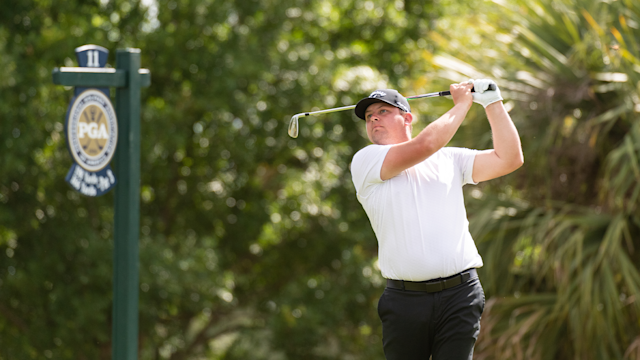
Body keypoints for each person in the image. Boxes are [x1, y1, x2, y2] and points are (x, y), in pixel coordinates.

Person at [350, 79, 523, 360]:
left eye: (382, 112)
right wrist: (463, 104)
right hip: (405, 301)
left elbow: (509, 159)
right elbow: (426, 143)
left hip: (461, 295)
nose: (374, 120)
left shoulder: (450, 159)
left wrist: (492, 104)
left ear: (407, 117)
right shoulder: (366, 160)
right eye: (369, 117)